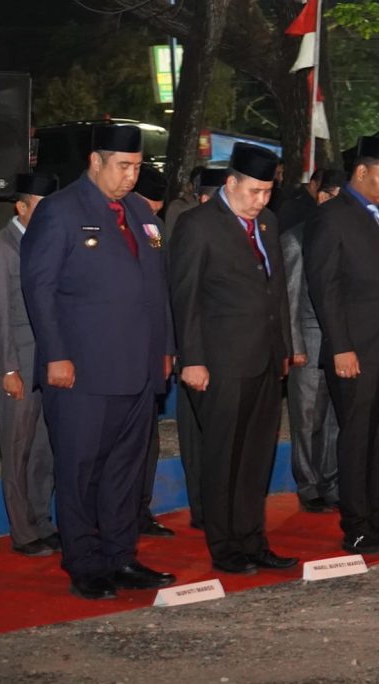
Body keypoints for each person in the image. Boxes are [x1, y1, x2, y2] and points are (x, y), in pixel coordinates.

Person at [21, 124, 176, 600]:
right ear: (96, 161)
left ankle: (121, 555)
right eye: (122, 166)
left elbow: (157, 288)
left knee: (125, 472)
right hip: (82, 370)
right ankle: (85, 562)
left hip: (138, 367)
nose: (131, 177)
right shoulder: (61, 211)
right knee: (80, 469)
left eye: (136, 167)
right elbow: (38, 290)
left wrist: (165, 348)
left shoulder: (139, 213)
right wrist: (56, 355)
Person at [170, 143, 295, 575]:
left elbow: (275, 292)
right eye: (254, 192)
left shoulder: (268, 222)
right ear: (231, 183)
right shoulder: (198, 225)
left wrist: (283, 349)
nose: (261, 201)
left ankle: (253, 539)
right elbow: (184, 298)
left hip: (263, 360)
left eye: (267, 193)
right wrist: (192, 359)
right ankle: (224, 546)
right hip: (219, 363)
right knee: (223, 457)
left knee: (256, 457)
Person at [304, 136, 379, 554]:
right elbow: (326, 287)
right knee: (358, 439)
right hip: (357, 350)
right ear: (361, 172)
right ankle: (357, 525)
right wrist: (341, 346)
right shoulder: (333, 216)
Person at [0, 172, 60, 557]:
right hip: (19, 365)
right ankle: (23, 533)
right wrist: (8, 368)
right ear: (21, 207)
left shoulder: (47, 245)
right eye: (40, 209)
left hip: (47, 363)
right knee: (17, 450)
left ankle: (43, 521)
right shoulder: (0, 248)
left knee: (45, 449)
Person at [282, 169, 346, 513]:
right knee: (308, 419)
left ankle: (331, 480)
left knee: (335, 417)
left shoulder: (346, 236)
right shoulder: (295, 238)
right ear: (322, 197)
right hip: (307, 340)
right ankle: (308, 485)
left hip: (338, 343)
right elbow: (289, 297)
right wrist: (295, 347)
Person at [175, 166, 228, 530]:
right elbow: (182, 294)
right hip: (194, 349)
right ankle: (202, 508)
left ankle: (219, 508)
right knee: (197, 436)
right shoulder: (191, 226)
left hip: (226, 354)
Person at [133, 163, 175, 538]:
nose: (154, 214)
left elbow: (163, 290)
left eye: (159, 208)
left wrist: (167, 348)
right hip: (116, 351)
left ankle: (139, 511)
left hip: (149, 353)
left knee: (147, 440)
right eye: (148, 205)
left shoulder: (154, 230)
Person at [277, 167, 327, 233]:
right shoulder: (295, 206)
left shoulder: (299, 199)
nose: (327, 197)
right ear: (313, 185)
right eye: (326, 191)